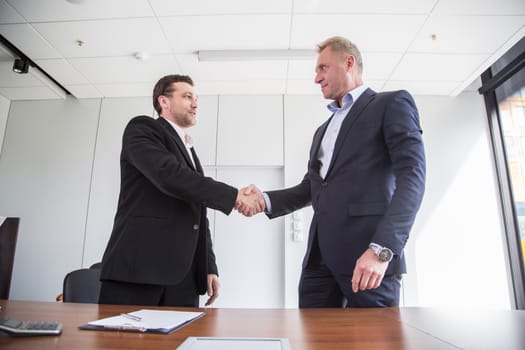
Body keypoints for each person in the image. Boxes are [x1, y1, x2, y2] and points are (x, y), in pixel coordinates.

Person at [240, 36, 425, 308]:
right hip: (319, 261)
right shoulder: (321, 131)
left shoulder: (391, 104)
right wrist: (264, 200)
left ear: (348, 62)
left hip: (368, 258)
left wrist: (382, 250)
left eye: (322, 68)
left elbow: (413, 177)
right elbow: (311, 188)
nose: (316, 78)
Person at [99, 74, 261, 307]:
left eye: (196, 98)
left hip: (183, 279)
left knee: (182, 344)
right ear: (163, 101)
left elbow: (198, 215)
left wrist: (208, 267)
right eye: (187, 97)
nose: (195, 104)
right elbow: (169, 175)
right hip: (138, 273)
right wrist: (234, 195)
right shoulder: (143, 128)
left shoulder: (189, 152)